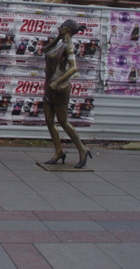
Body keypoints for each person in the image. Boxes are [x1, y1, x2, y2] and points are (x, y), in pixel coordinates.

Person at [42, 19, 92, 169]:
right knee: (49, 121)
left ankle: (82, 149)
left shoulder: (69, 46)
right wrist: (58, 37)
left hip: (59, 87)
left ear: (68, 28)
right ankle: (58, 151)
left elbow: (73, 68)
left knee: (62, 121)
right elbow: (45, 50)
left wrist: (58, 82)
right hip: (50, 85)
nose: (59, 27)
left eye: (62, 26)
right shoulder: (60, 44)